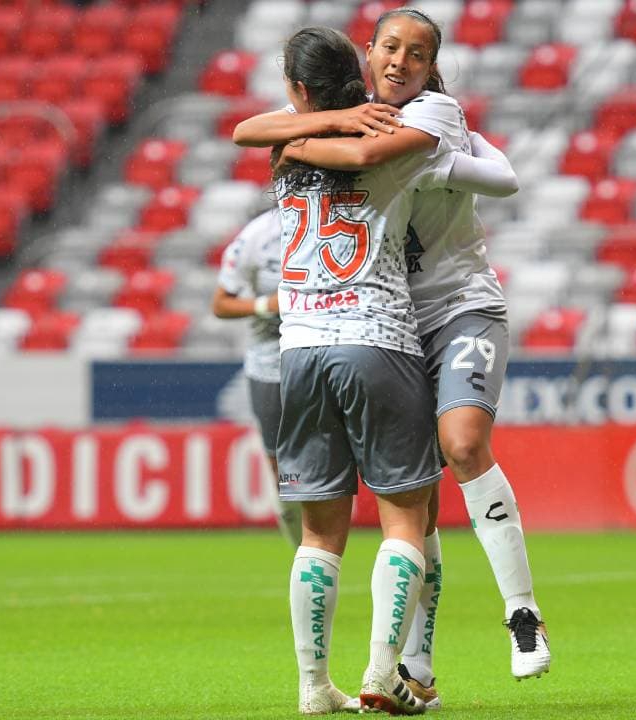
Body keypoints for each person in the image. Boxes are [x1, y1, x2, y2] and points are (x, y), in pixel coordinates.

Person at [234, 9, 551, 699]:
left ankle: (323, 684)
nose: (400, 60)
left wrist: (307, 134)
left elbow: (249, 131)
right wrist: (345, 126)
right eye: (389, 48)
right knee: (408, 515)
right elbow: (369, 156)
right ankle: (392, 666)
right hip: (381, 333)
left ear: (298, 89)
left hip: (309, 346)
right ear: (365, 58)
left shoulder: (418, 116)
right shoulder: (383, 126)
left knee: (323, 532)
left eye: (416, 51)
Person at [211, 207, 303, 549]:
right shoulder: (257, 235)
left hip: (330, 351)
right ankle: (304, 556)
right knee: (283, 469)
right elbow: (220, 303)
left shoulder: (341, 217)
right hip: (271, 362)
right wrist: (267, 304)